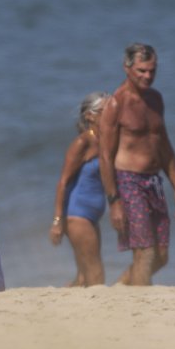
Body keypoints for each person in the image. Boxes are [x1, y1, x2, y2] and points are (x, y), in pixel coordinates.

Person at [99, 43, 175, 286]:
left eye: (152, 70)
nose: (148, 76)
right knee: (144, 251)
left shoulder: (155, 99)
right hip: (128, 180)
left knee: (161, 255)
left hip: (154, 181)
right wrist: (114, 201)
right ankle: (138, 307)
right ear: (127, 68)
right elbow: (105, 156)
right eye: (141, 70)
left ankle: (121, 287)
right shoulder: (116, 104)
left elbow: (165, 146)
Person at [51, 92, 110, 287]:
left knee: (84, 277)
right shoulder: (82, 143)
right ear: (90, 116)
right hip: (77, 214)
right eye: (104, 111)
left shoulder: (105, 141)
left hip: (91, 215)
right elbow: (63, 182)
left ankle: (65, 309)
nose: (111, 114)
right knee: (96, 274)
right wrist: (57, 221)